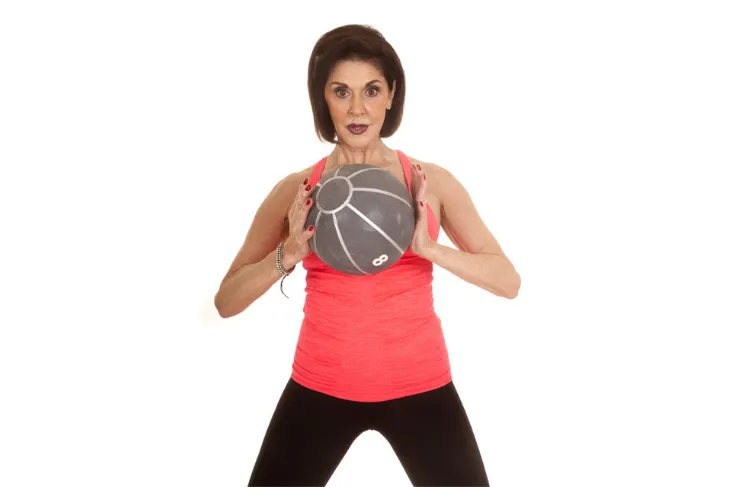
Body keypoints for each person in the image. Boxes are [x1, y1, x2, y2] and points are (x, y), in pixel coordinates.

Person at [214, 24, 521, 487]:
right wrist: (289, 252)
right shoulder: (295, 191)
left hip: (421, 385)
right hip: (320, 385)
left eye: (371, 90)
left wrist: (429, 248)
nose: (357, 108)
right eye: (341, 92)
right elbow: (226, 302)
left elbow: (508, 281)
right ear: (324, 101)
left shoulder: (429, 183)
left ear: (391, 96)